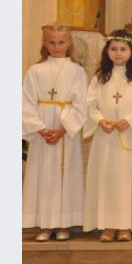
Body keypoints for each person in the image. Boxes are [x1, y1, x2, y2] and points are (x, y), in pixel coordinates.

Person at [83, 30, 132, 242]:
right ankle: (107, 225)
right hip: (106, 136)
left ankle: (125, 225)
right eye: (113, 49)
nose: (118, 53)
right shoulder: (99, 77)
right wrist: (99, 120)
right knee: (107, 180)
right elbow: (90, 104)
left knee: (126, 182)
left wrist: (130, 120)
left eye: (123, 49)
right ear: (107, 51)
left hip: (128, 136)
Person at [22, 23, 88, 242]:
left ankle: (64, 224)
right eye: (52, 42)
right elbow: (26, 102)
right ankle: (45, 224)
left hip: (64, 130)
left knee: (65, 173)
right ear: (44, 43)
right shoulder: (35, 70)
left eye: (61, 42)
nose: (57, 46)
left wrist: (62, 129)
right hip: (42, 130)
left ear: (68, 43)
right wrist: (40, 128)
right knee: (44, 176)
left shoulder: (77, 71)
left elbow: (81, 103)